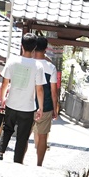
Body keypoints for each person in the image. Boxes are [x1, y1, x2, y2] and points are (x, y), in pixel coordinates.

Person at [0, 37, 41, 164]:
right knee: (22, 136)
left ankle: (0, 153)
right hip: (28, 107)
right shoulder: (38, 66)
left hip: (12, 103)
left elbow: (5, 83)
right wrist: (40, 107)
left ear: (22, 46)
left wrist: (3, 98)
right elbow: (39, 89)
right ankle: (17, 160)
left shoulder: (13, 61)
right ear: (34, 48)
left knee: (7, 128)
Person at [31, 37, 62, 166]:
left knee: (23, 135)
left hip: (28, 104)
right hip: (46, 105)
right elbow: (54, 91)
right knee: (43, 135)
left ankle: (19, 160)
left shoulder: (29, 63)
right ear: (45, 49)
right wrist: (55, 109)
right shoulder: (51, 67)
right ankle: (39, 164)